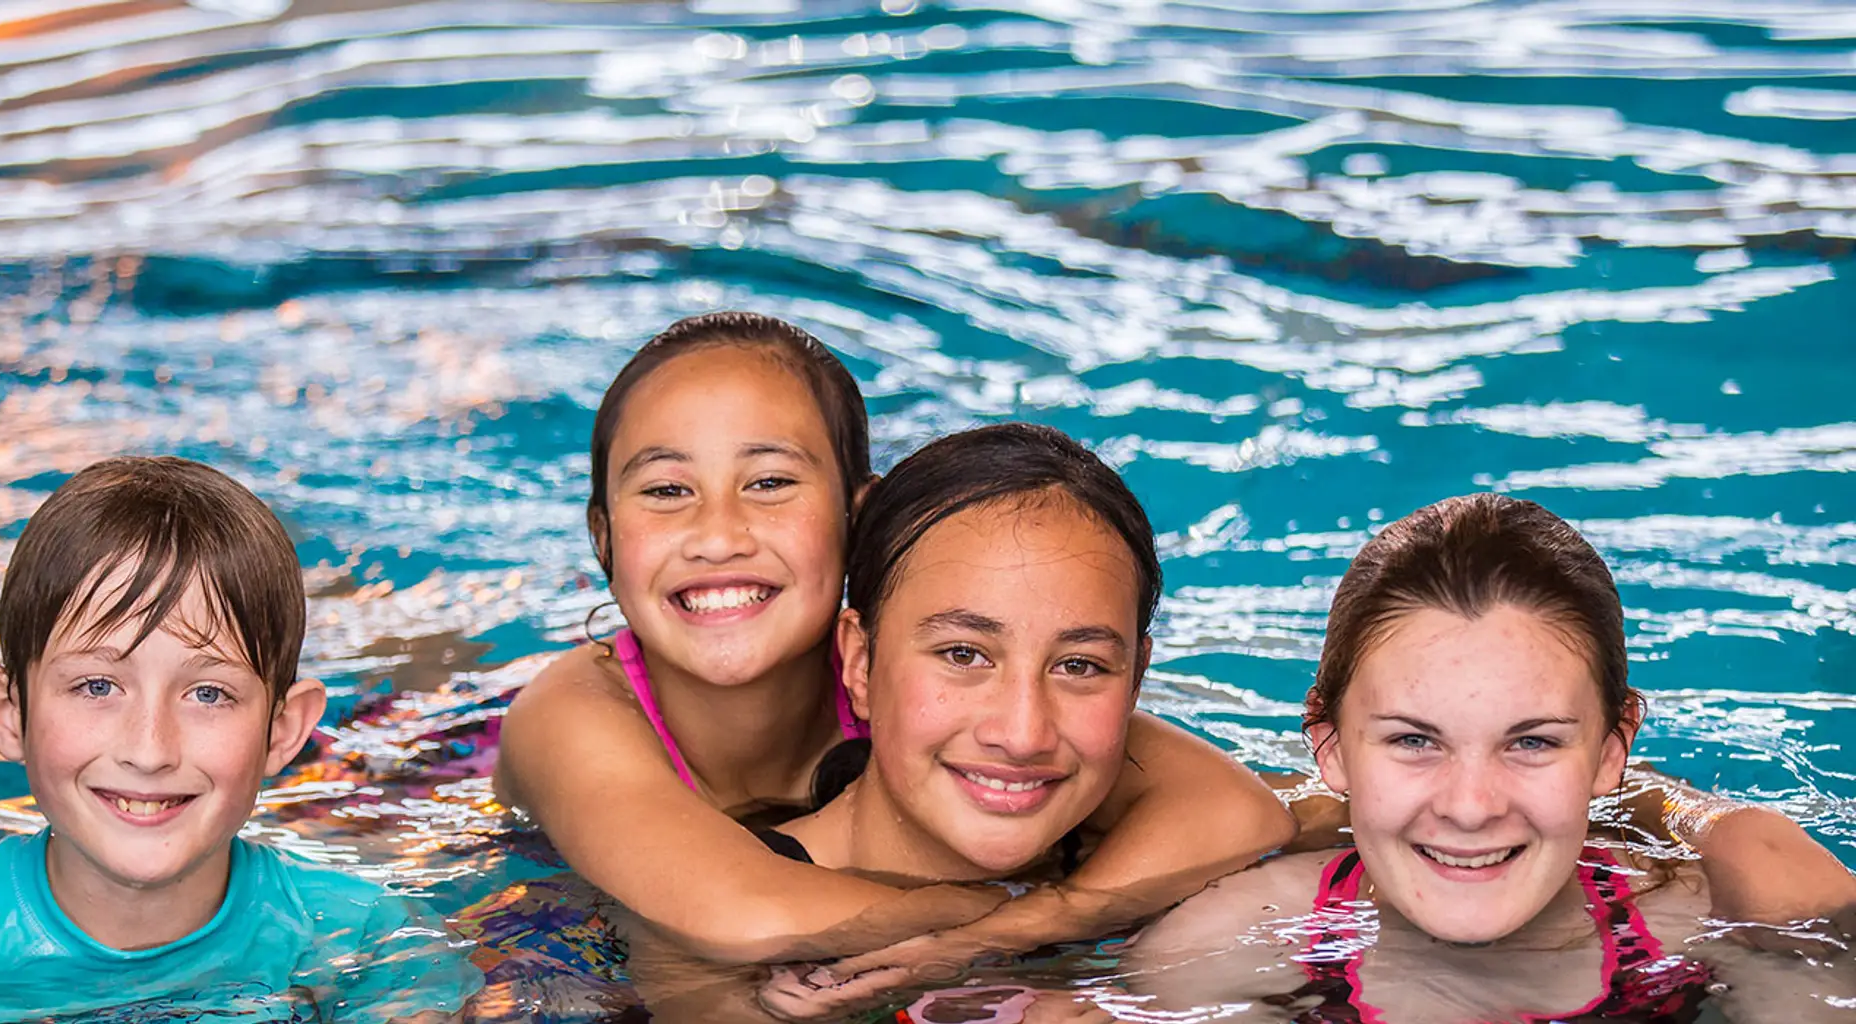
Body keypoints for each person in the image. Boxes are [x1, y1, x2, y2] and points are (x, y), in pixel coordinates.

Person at [494, 314, 1295, 970]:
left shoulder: (933, 674)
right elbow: (741, 913)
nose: (719, 535)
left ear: (858, 513)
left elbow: (1230, 805)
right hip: (430, 763)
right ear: (602, 537)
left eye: (770, 482)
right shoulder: (573, 716)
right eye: (668, 491)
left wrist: (1045, 913)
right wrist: (1006, 909)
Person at [1107, 493, 1856, 1022]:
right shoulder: (1225, 954)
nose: (1471, 807)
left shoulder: (1724, 922)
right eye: (1413, 741)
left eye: (1532, 742)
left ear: (1612, 748)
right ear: (1328, 745)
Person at [0, 457, 482, 1024]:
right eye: (96, 685)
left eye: (208, 694)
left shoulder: (369, 945)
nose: (150, 750)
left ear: (282, 731)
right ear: (8, 712)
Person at [619, 423, 1201, 1022]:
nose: (1024, 734)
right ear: (861, 664)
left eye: (1079, 665)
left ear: (1136, 677)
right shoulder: (719, 947)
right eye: (963, 655)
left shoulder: (1148, 870)